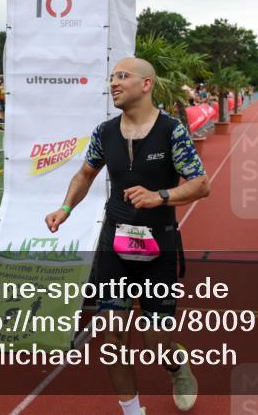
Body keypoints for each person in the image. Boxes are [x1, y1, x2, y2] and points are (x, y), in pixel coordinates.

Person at [45, 57, 210, 415]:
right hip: (115, 246)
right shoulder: (105, 132)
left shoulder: (171, 132)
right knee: (113, 336)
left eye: (123, 76)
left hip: (159, 246)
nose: (114, 83)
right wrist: (66, 209)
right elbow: (86, 174)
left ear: (146, 84)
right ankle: (133, 411)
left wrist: (160, 196)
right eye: (112, 77)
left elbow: (201, 184)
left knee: (155, 343)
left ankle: (175, 364)